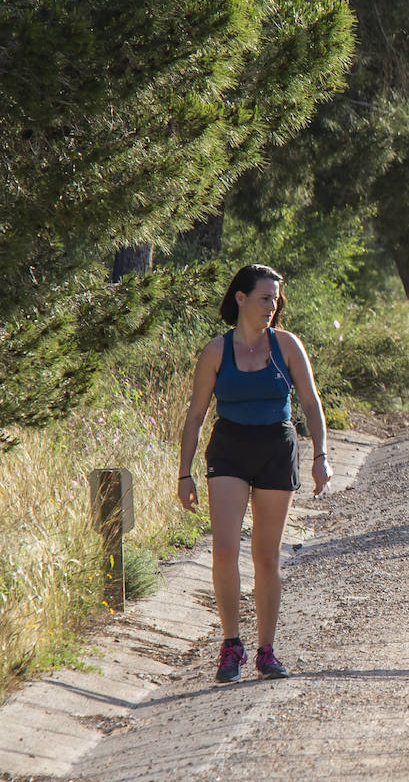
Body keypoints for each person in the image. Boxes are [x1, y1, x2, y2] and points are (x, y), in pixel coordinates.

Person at [177, 264, 333, 683]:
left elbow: (310, 401)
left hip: (275, 449)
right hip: (229, 448)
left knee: (266, 556)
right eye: (265, 298)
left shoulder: (286, 346)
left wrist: (321, 455)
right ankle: (231, 646)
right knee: (224, 550)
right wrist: (184, 474)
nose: (272, 306)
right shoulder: (215, 351)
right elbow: (195, 416)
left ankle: (266, 650)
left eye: (276, 299)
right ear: (241, 298)